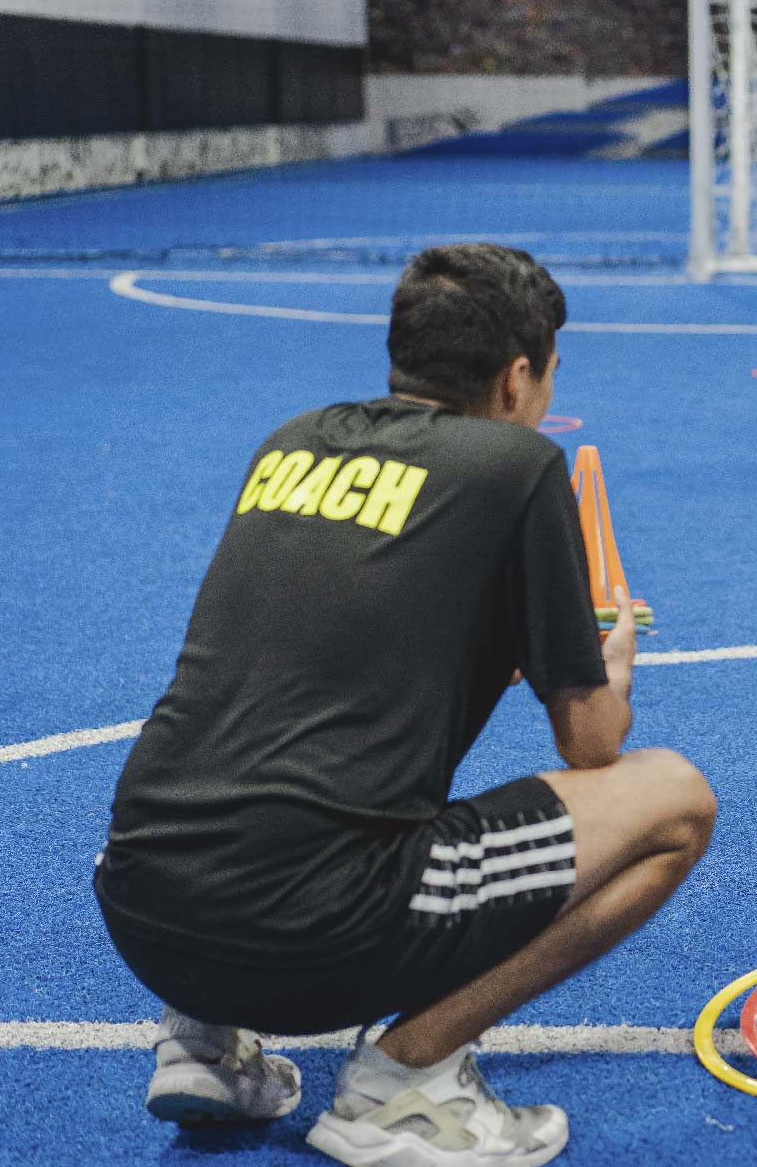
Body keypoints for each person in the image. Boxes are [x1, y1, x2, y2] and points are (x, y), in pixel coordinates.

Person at [92, 243, 717, 1167]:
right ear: (517, 377)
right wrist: (611, 681)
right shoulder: (518, 464)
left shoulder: (291, 442)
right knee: (675, 802)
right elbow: (590, 745)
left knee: (253, 728)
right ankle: (406, 1085)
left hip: (140, 903)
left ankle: (204, 1044)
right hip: (309, 933)